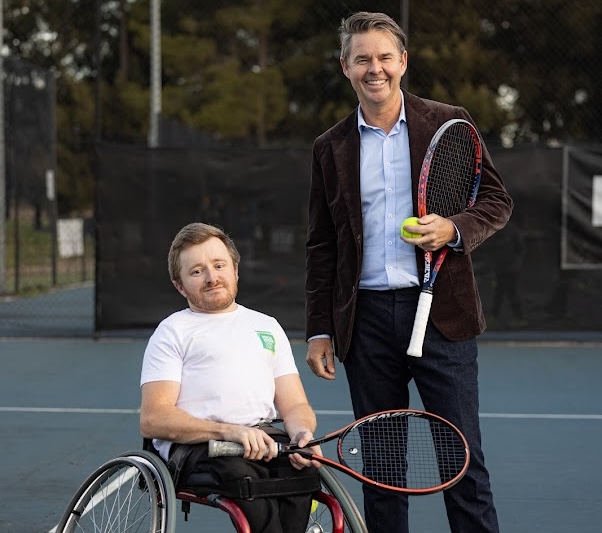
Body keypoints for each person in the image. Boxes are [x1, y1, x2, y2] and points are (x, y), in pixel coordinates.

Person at [305, 11, 513, 533]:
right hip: (366, 325)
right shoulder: (329, 147)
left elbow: (495, 200)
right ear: (345, 67)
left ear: (402, 61)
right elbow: (322, 243)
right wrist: (319, 328)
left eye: (383, 57)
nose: (374, 69)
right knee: (382, 469)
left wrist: (454, 229)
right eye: (361, 60)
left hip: (443, 318)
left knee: (461, 462)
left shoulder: (448, 122)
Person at [140, 222, 321, 533]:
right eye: (197, 272)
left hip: (266, 441)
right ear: (180, 286)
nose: (212, 278)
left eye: (219, 265)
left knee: (301, 476)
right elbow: (154, 419)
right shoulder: (172, 331)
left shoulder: (267, 326)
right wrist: (229, 431)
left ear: (235, 270)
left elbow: (294, 406)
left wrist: (302, 434)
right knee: (247, 482)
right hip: (202, 447)